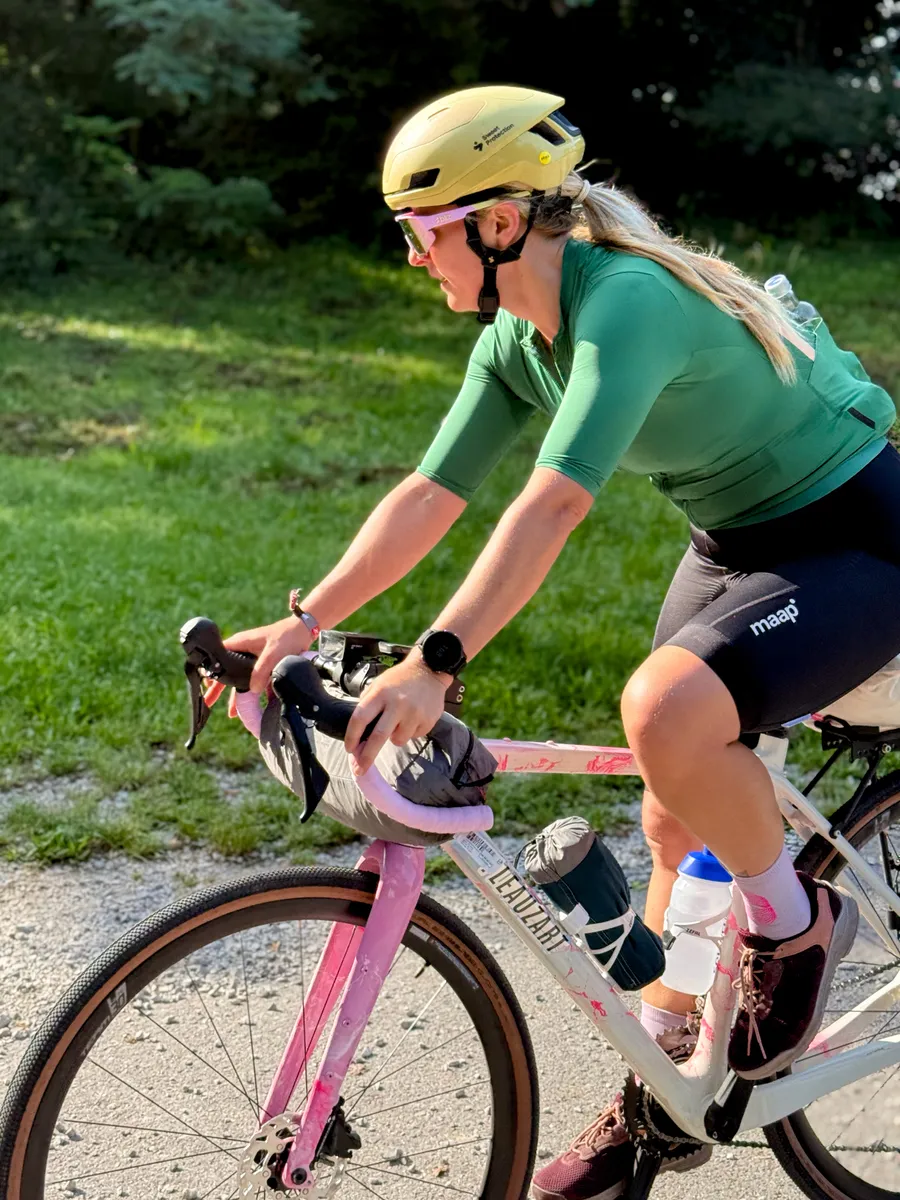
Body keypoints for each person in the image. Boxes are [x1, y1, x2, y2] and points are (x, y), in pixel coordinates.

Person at [218, 85, 900, 1199]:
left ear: (496, 224)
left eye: (420, 235)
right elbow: (431, 492)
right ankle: (668, 1099)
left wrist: (438, 660)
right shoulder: (514, 341)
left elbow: (550, 506)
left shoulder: (625, 298)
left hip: (857, 536)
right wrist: (304, 621)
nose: (411, 259)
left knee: (666, 715)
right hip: (737, 539)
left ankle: (795, 925)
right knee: (672, 806)